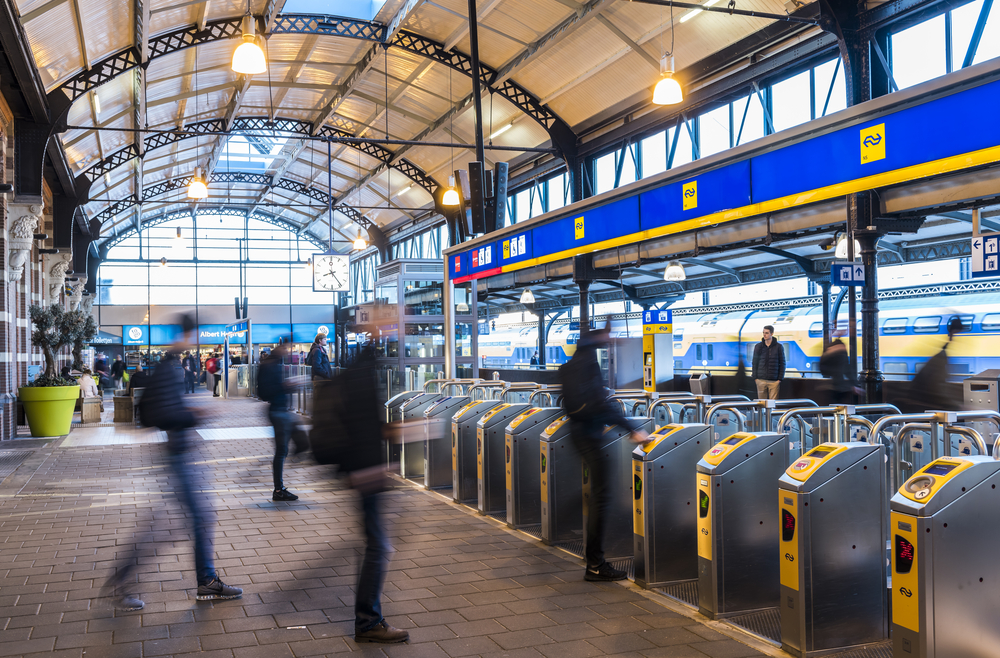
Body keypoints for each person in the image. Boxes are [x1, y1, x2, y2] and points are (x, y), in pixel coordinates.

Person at [104, 313, 242, 611]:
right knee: (175, 525)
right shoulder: (171, 368)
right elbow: (163, 414)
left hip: (180, 455)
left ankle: (203, 580)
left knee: (184, 521)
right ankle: (128, 579)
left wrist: (187, 409)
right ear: (186, 334)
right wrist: (196, 415)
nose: (195, 340)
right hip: (178, 457)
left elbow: (162, 408)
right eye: (194, 334)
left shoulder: (170, 364)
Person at [332, 333, 408, 643]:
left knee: (376, 545)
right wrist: (373, 468)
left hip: (363, 469)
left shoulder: (357, 368)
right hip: (366, 472)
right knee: (378, 546)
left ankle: (368, 618)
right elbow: (361, 426)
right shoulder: (363, 373)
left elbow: (362, 423)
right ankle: (367, 621)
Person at [559, 324, 648, 582]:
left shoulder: (572, 363)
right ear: (596, 340)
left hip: (578, 432)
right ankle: (595, 565)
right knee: (601, 497)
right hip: (589, 435)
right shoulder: (589, 365)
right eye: (607, 338)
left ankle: (593, 560)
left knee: (597, 495)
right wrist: (632, 428)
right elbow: (600, 403)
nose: (611, 342)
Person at [258, 340, 299, 502]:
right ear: (281, 347)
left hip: (281, 411)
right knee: (281, 451)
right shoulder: (269, 365)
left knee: (283, 449)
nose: (288, 352)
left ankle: (279, 488)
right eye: (287, 348)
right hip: (277, 411)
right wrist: (286, 386)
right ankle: (278, 490)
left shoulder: (273, 363)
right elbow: (265, 392)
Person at [819, 338, 859, 405]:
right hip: (839, 387)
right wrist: (854, 384)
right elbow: (846, 369)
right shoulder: (841, 353)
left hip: (828, 387)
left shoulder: (827, 353)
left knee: (831, 407)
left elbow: (822, 369)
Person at [752, 325, 785, 400]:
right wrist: (755, 377)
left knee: (773, 405)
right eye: (763, 333)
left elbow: (782, 363)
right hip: (760, 380)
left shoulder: (778, 347)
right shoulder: (758, 346)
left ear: (772, 334)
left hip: (774, 381)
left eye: (766, 333)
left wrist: (779, 379)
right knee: (761, 404)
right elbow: (754, 362)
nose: (764, 335)